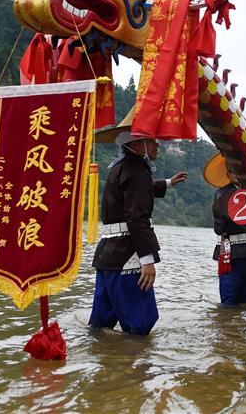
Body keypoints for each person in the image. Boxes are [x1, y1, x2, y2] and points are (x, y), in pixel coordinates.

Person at [89, 122, 188, 335]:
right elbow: (137, 218)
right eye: (152, 140)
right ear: (137, 143)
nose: (157, 145)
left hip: (108, 256)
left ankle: (101, 364)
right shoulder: (136, 171)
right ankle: (133, 367)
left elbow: (142, 189)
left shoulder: (121, 166)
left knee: (100, 325)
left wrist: (169, 183)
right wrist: (147, 261)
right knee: (141, 324)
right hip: (127, 257)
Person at [205, 153, 246, 307]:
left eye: (239, 169)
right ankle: (227, 329)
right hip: (230, 252)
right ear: (227, 174)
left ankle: (239, 330)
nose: (236, 173)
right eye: (232, 170)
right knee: (229, 303)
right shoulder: (222, 194)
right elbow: (219, 228)